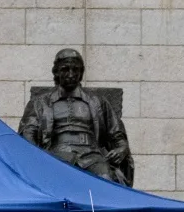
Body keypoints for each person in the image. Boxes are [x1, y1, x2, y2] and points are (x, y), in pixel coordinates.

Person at [16, 49, 133, 186]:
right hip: (56, 155)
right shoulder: (40, 103)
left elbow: (116, 134)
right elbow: (28, 133)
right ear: (56, 72)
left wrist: (122, 149)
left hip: (92, 156)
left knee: (106, 179)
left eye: (75, 70)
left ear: (81, 72)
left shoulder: (98, 102)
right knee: (53, 182)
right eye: (65, 69)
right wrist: (38, 158)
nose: (71, 74)